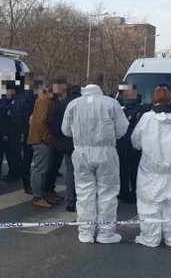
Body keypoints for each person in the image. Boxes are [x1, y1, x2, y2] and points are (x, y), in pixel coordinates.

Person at [62, 81, 129, 243]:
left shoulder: (73, 104)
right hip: (106, 152)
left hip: (81, 152)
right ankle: (106, 233)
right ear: (101, 88)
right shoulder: (111, 103)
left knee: (84, 192)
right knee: (107, 192)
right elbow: (122, 130)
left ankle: (85, 232)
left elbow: (65, 130)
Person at [131, 87, 171, 247]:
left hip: (150, 172)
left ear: (154, 99)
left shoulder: (146, 118)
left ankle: (150, 238)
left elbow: (135, 142)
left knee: (149, 205)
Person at [27, 80, 57, 208]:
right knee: (39, 169)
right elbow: (40, 121)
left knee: (42, 169)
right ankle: (38, 196)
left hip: (42, 139)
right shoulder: (45, 100)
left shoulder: (47, 99)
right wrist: (46, 138)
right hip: (41, 140)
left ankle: (42, 194)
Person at [53, 84, 81, 212]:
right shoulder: (84, 104)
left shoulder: (63, 104)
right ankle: (83, 201)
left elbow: (57, 126)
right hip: (83, 144)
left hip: (68, 144)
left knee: (70, 173)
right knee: (84, 174)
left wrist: (61, 141)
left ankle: (71, 202)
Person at [117, 84, 144, 204]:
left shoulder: (141, 109)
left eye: (131, 92)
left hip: (134, 145)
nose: (129, 95)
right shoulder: (121, 108)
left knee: (134, 170)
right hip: (122, 144)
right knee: (122, 170)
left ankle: (134, 191)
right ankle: (123, 191)